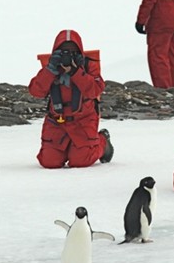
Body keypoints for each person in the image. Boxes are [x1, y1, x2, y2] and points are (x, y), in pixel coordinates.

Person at [29, 29, 114, 168]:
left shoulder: (87, 66)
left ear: (80, 51)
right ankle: (70, 148)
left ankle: (103, 141)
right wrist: (50, 70)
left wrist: (76, 72)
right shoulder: (50, 68)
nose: (67, 56)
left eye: (72, 52)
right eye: (63, 52)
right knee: (49, 162)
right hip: (57, 120)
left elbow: (95, 90)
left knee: (81, 161)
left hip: (83, 120)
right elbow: (36, 91)